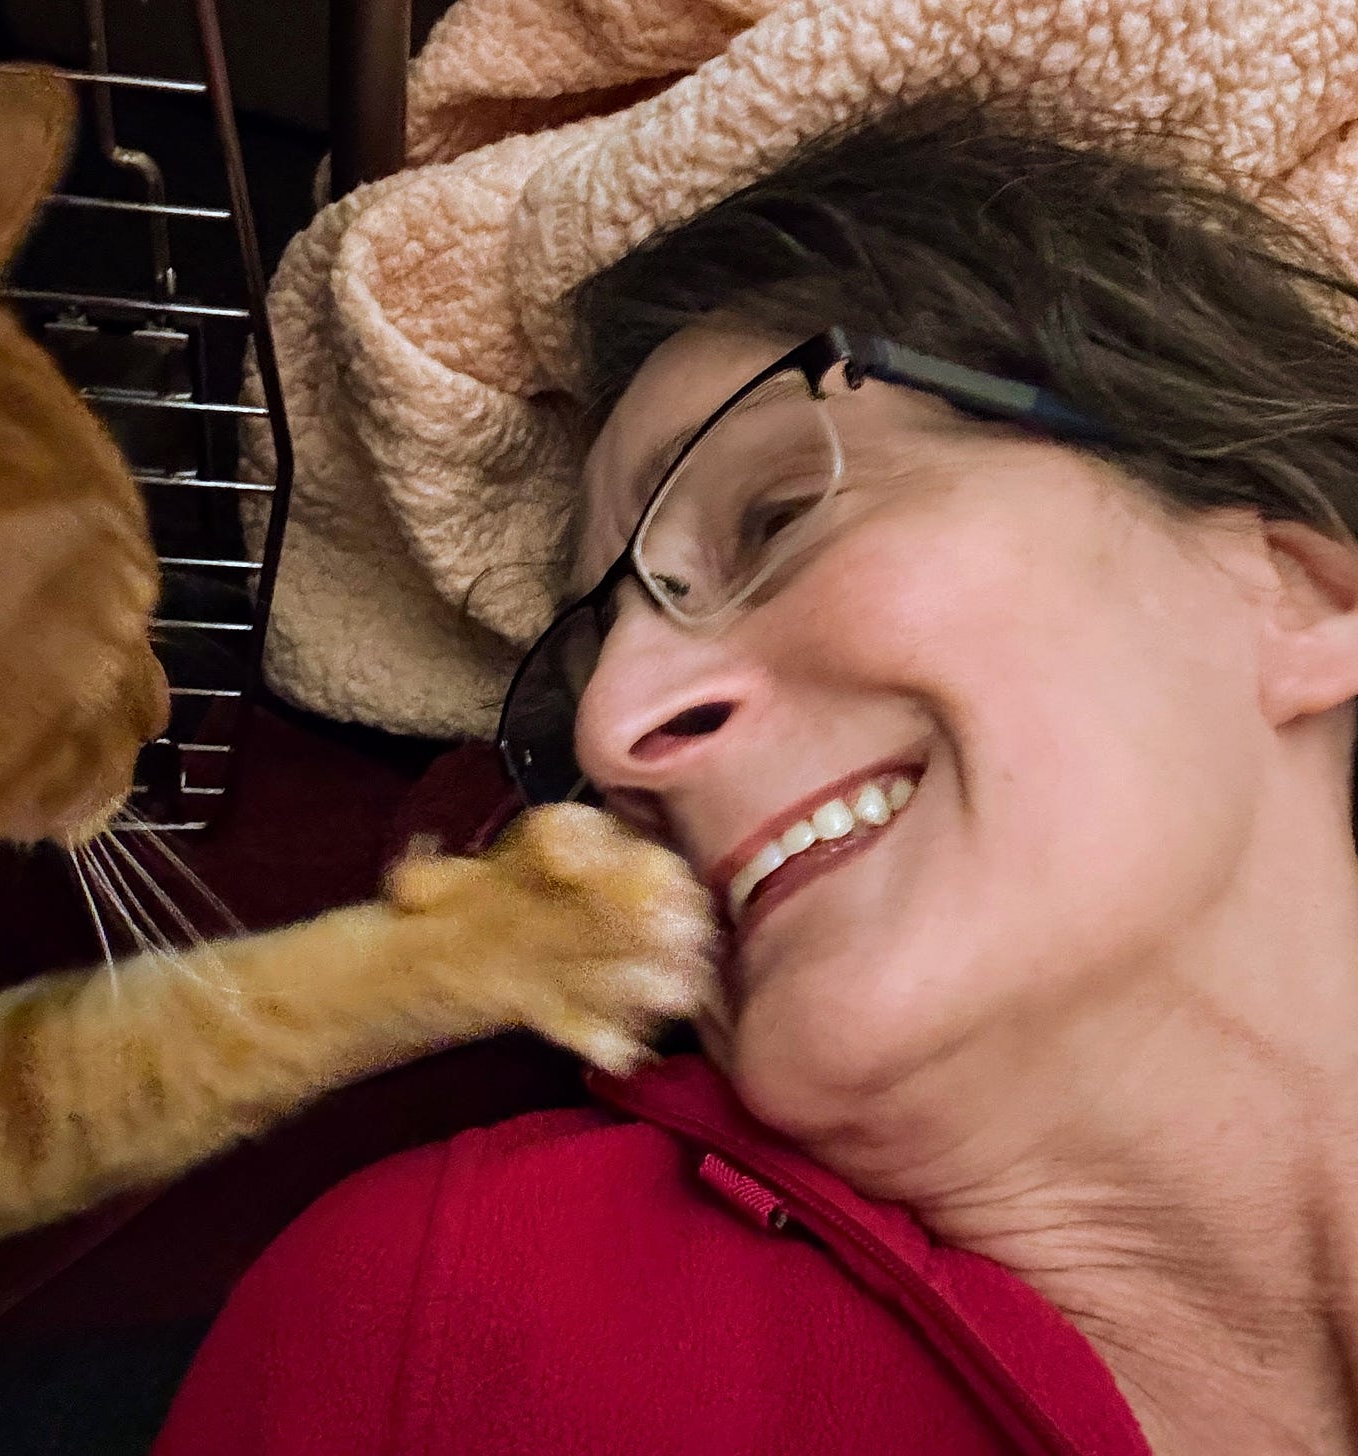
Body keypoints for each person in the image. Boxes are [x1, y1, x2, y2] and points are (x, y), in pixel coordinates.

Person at [152, 97, 1358, 1455]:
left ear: (1295, 592)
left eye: (777, 516)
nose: (610, 733)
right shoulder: (451, 1339)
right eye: (575, 681)